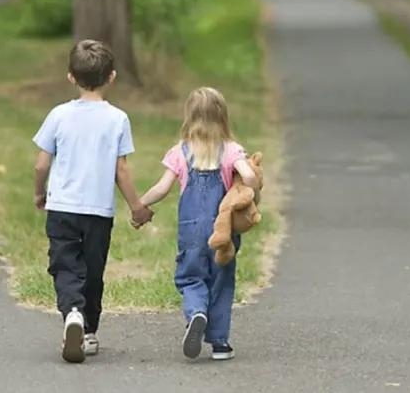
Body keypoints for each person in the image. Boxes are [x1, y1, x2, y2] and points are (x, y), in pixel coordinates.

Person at [32, 39, 154, 364]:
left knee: (65, 265)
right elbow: (121, 170)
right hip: (98, 212)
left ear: (70, 77)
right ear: (112, 77)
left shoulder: (58, 115)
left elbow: (41, 163)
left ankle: (72, 313)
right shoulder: (118, 119)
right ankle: (87, 331)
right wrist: (137, 206)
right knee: (93, 270)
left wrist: (39, 192)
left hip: (62, 209)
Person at [139, 87, 259, 361]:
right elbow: (249, 176)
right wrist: (246, 189)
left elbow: (162, 188)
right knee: (221, 281)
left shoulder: (180, 152)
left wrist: (141, 205)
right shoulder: (230, 150)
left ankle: (196, 313)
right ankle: (219, 344)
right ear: (222, 118)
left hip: (191, 229)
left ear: (188, 118)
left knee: (191, 276)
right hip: (223, 229)